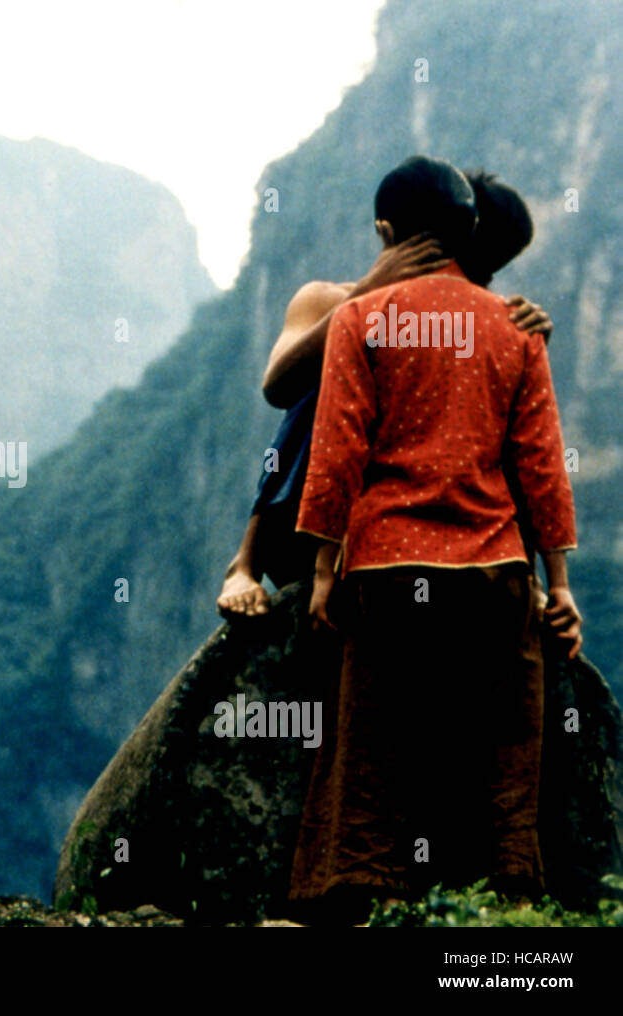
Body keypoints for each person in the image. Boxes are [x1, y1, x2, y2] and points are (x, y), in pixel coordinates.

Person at [288, 155, 582, 921]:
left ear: (387, 231)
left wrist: (324, 569)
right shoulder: (515, 329)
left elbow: (338, 450)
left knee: (370, 749)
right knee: (505, 746)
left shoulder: (362, 317)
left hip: (387, 570)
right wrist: (560, 590)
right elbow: (542, 468)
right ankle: (509, 887)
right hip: (495, 575)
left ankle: (364, 891)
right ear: (470, 232)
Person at [217, 172, 554, 618]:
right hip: (312, 525)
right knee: (333, 370)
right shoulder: (326, 299)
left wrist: (523, 344)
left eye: (492, 271)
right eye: (473, 261)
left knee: (507, 407)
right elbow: (277, 387)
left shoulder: (479, 325)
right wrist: (363, 297)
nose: (479, 281)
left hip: (432, 525)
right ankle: (246, 563)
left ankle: (524, 573)